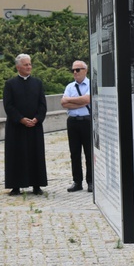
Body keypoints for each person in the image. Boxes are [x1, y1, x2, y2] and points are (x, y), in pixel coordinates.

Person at [3, 54, 47, 195]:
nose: (29, 67)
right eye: (26, 65)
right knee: (16, 155)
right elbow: (8, 106)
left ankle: (36, 185)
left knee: (36, 154)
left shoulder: (38, 83)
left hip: (34, 126)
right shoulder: (10, 84)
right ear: (18, 67)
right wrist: (21, 119)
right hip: (16, 127)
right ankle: (15, 185)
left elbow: (42, 104)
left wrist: (37, 118)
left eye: (30, 64)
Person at [61, 60, 93, 193]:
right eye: (73, 70)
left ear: (85, 70)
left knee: (89, 152)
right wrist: (80, 101)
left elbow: (88, 99)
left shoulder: (91, 84)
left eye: (78, 70)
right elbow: (63, 103)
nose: (75, 72)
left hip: (87, 121)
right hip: (73, 122)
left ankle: (91, 181)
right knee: (74, 153)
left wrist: (71, 100)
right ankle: (77, 181)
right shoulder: (69, 86)